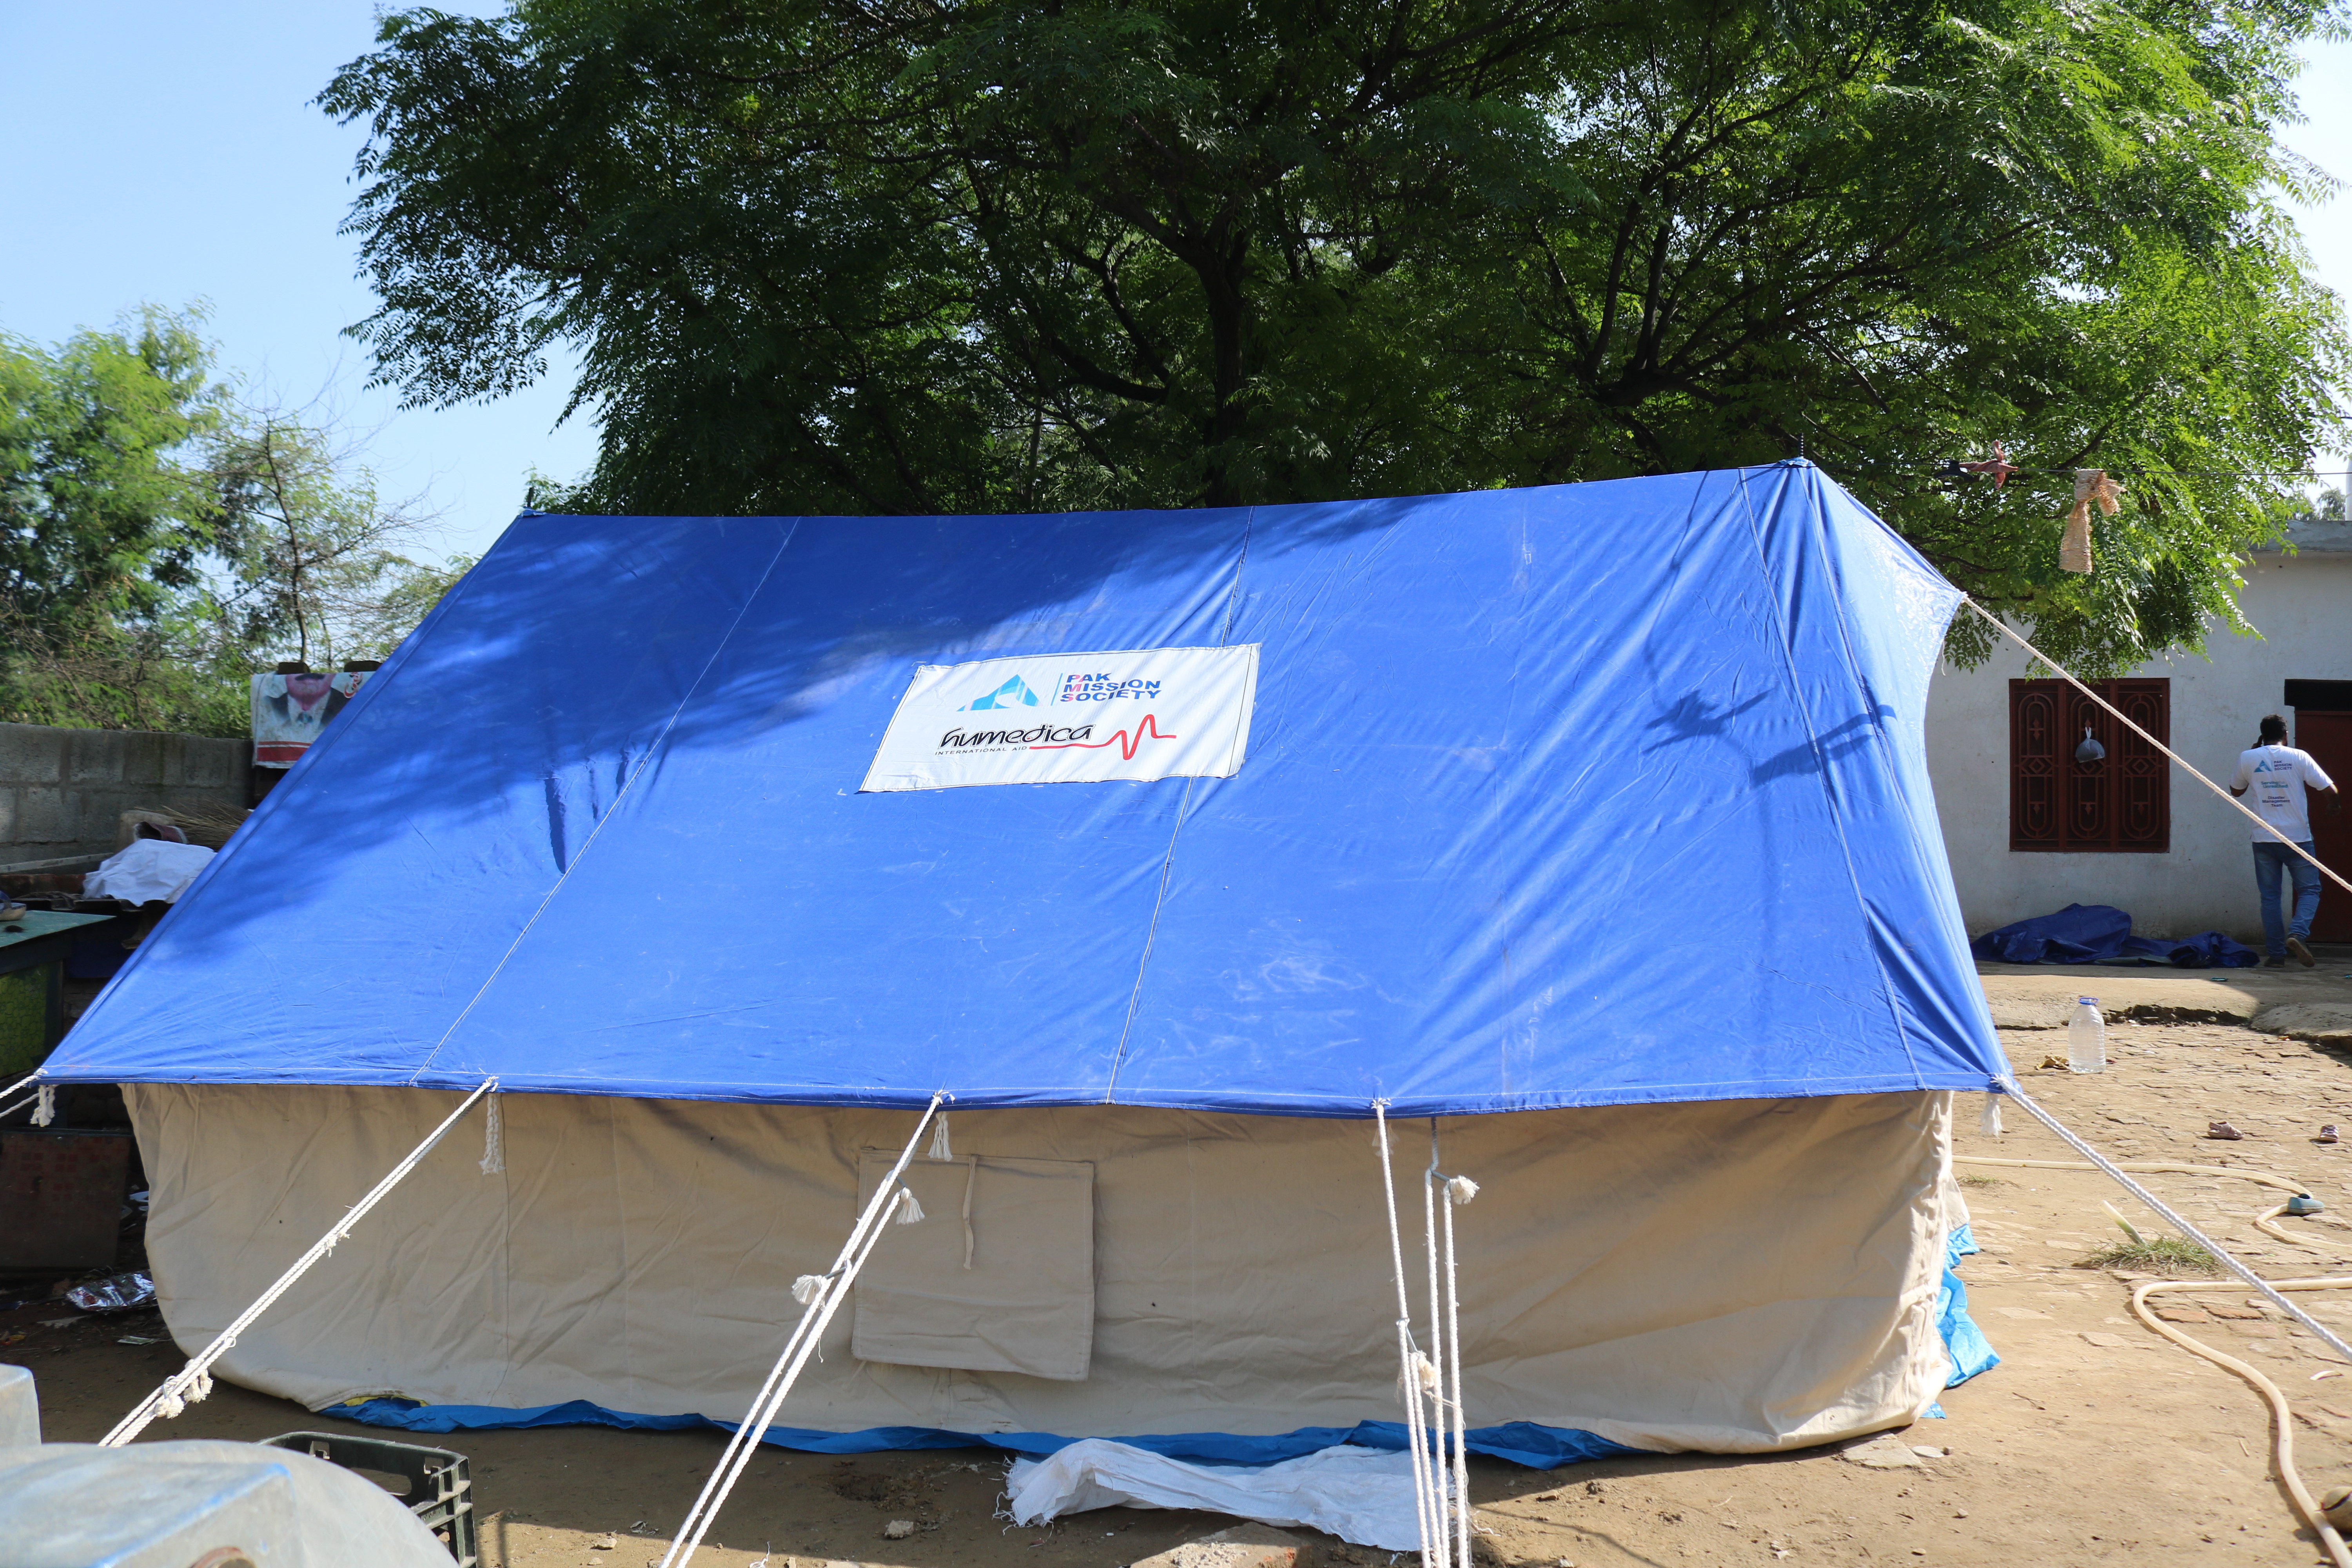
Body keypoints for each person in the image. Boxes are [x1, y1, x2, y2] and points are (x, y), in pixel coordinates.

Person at [2229, 714, 2341, 967]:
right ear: (2286, 736)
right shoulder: (2298, 756)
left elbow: (2235, 791)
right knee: (2311, 890)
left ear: (2262, 734)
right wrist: (2335, 805)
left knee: (2270, 897)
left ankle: (2276, 956)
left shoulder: (2248, 757)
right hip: (2298, 838)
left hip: (2264, 839)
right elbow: (2329, 789)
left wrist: (2255, 760)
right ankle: (2298, 934)